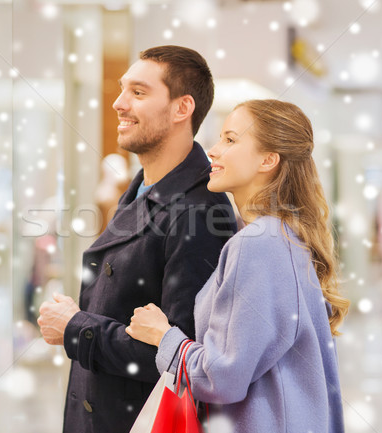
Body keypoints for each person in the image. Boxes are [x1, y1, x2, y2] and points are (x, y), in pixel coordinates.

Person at [37, 45, 237, 433]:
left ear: (182, 108)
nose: (118, 103)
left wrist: (75, 327)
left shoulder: (200, 211)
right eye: (122, 89)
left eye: (138, 92)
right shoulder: (144, 188)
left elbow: (184, 357)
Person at [126, 99, 350, 433]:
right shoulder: (282, 235)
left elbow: (222, 377)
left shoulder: (257, 243)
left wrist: (162, 336)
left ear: (268, 160)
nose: (213, 151)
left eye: (230, 140)